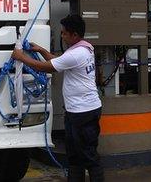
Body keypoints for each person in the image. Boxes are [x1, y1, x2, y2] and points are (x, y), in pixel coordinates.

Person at [13, 15, 103, 182]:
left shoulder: (78, 53)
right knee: (74, 157)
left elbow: (47, 67)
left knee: (89, 157)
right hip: (76, 111)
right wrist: (41, 50)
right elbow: (59, 61)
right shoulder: (84, 48)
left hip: (83, 112)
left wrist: (21, 57)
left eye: (64, 33)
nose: (61, 36)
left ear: (74, 35)